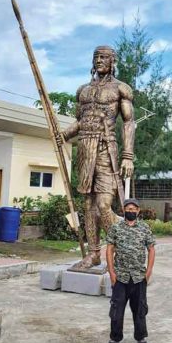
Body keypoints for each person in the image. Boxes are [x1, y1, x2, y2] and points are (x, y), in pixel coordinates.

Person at [58, 46, 135, 270]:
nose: (99, 60)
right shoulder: (82, 91)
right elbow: (82, 121)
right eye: (96, 57)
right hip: (84, 148)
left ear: (113, 61)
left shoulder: (121, 89)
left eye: (104, 57)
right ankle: (93, 254)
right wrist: (64, 134)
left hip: (105, 149)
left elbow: (129, 122)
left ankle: (123, 247)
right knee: (88, 204)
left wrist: (128, 156)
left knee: (103, 205)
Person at [103, 199, 156, 343]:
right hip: (120, 276)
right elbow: (109, 249)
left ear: (138, 211)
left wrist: (149, 271)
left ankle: (141, 339)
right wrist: (111, 272)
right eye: (128, 208)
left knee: (140, 310)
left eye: (133, 209)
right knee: (116, 310)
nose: (131, 211)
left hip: (139, 277)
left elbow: (151, 249)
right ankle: (114, 339)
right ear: (123, 210)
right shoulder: (116, 227)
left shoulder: (145, 228)